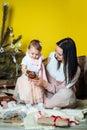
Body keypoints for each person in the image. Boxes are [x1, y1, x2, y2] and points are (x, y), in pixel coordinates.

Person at [35, 37, 81, 109]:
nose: (56, 55)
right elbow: (40, 68)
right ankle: (52, 104)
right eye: (55, 51)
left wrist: (46, 85)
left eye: (59, 54)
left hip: (60, 95)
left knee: (67, 94)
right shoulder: (52, 56)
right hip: (47, 93)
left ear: (68, 56)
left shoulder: (75, 70)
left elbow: (62, 90)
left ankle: (46, 104)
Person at [13, 40, 47, 109]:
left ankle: (39, 102)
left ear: (40, 53)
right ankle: (28, 102)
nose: (34, 56)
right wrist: (28, 73)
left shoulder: (39, 59)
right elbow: (23, 69)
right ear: (28, 50)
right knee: (28, 90)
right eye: (32, 53)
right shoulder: (26, 59)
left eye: (37, 54)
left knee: (38, 90)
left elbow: (42, 65)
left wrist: (47, 61)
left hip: (36, 77)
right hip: (27, 78)